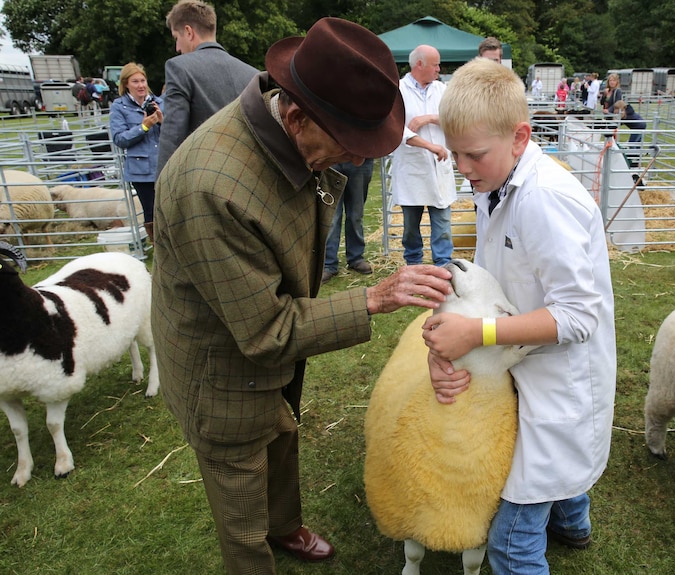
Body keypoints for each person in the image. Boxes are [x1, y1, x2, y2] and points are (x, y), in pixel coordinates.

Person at [152, 18, 454, 575]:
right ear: (294, 114)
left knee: (283, 433)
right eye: (349, 146)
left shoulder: (288, 140)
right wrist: (372, 299)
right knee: (241, 488)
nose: (359, 162)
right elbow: (265, 331)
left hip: (266, 359)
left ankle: (285, 526)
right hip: (221, 371)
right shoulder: (212, 188)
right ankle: (257, 550)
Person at [424, 57, 616, 575]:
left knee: (509, 543)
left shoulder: (545, 201)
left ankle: (561, 519)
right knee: (556, 469)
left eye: (474, 155)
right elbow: (494, 277)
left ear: (520, 136)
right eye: (457, 154)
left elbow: (578, 317)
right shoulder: (496, 183)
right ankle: (573, 523)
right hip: (522, 364)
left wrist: (477, 331)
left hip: (561, 379)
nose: (463, 168)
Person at [156, 0, 259, 176]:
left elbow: (173, 135)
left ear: (188, 32)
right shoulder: (253, 74)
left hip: (204, 181)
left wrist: (162, 188)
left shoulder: (179, 68)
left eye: (176, 38)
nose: (177, 48)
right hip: (249, 179)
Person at [390, 44, 456, 266]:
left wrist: (428, 118)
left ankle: (443, 265)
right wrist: (431, 146)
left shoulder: (442, 89)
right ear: (420, 64)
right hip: (412, 168)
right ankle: (414, 264)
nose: (439, 69)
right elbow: (396, 129)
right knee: (410, 226)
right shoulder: (398, 90)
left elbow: (454, 117)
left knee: (442, 222)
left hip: (439, 168)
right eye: (435, 64)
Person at [109, 63, 163, 243]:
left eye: (142, 80)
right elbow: (119, 138)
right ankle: (159, 249)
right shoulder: (119, 107)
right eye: (135, 81)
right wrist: (144, 127)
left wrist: (163, 122)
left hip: (165, 164)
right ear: (126, 84)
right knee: (151, 212)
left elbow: (177, 133)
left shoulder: (160, 102)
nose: (140, 85)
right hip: (142, 171)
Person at [322, 158, 375, 282]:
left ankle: (356, 258)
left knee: (355, 216)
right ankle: (328, 263)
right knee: (332, 216)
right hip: (331, 159)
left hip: (361, 159)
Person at [613, 99, 646, 166]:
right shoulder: (627, 112)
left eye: (616, 108)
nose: (615, 110)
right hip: (639, 125)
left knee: (632, 143)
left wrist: (614, 123)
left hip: (638, 127)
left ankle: (634, 159)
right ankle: (637, 160)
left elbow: (620, 123)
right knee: (637, 144)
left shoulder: (626, 114)